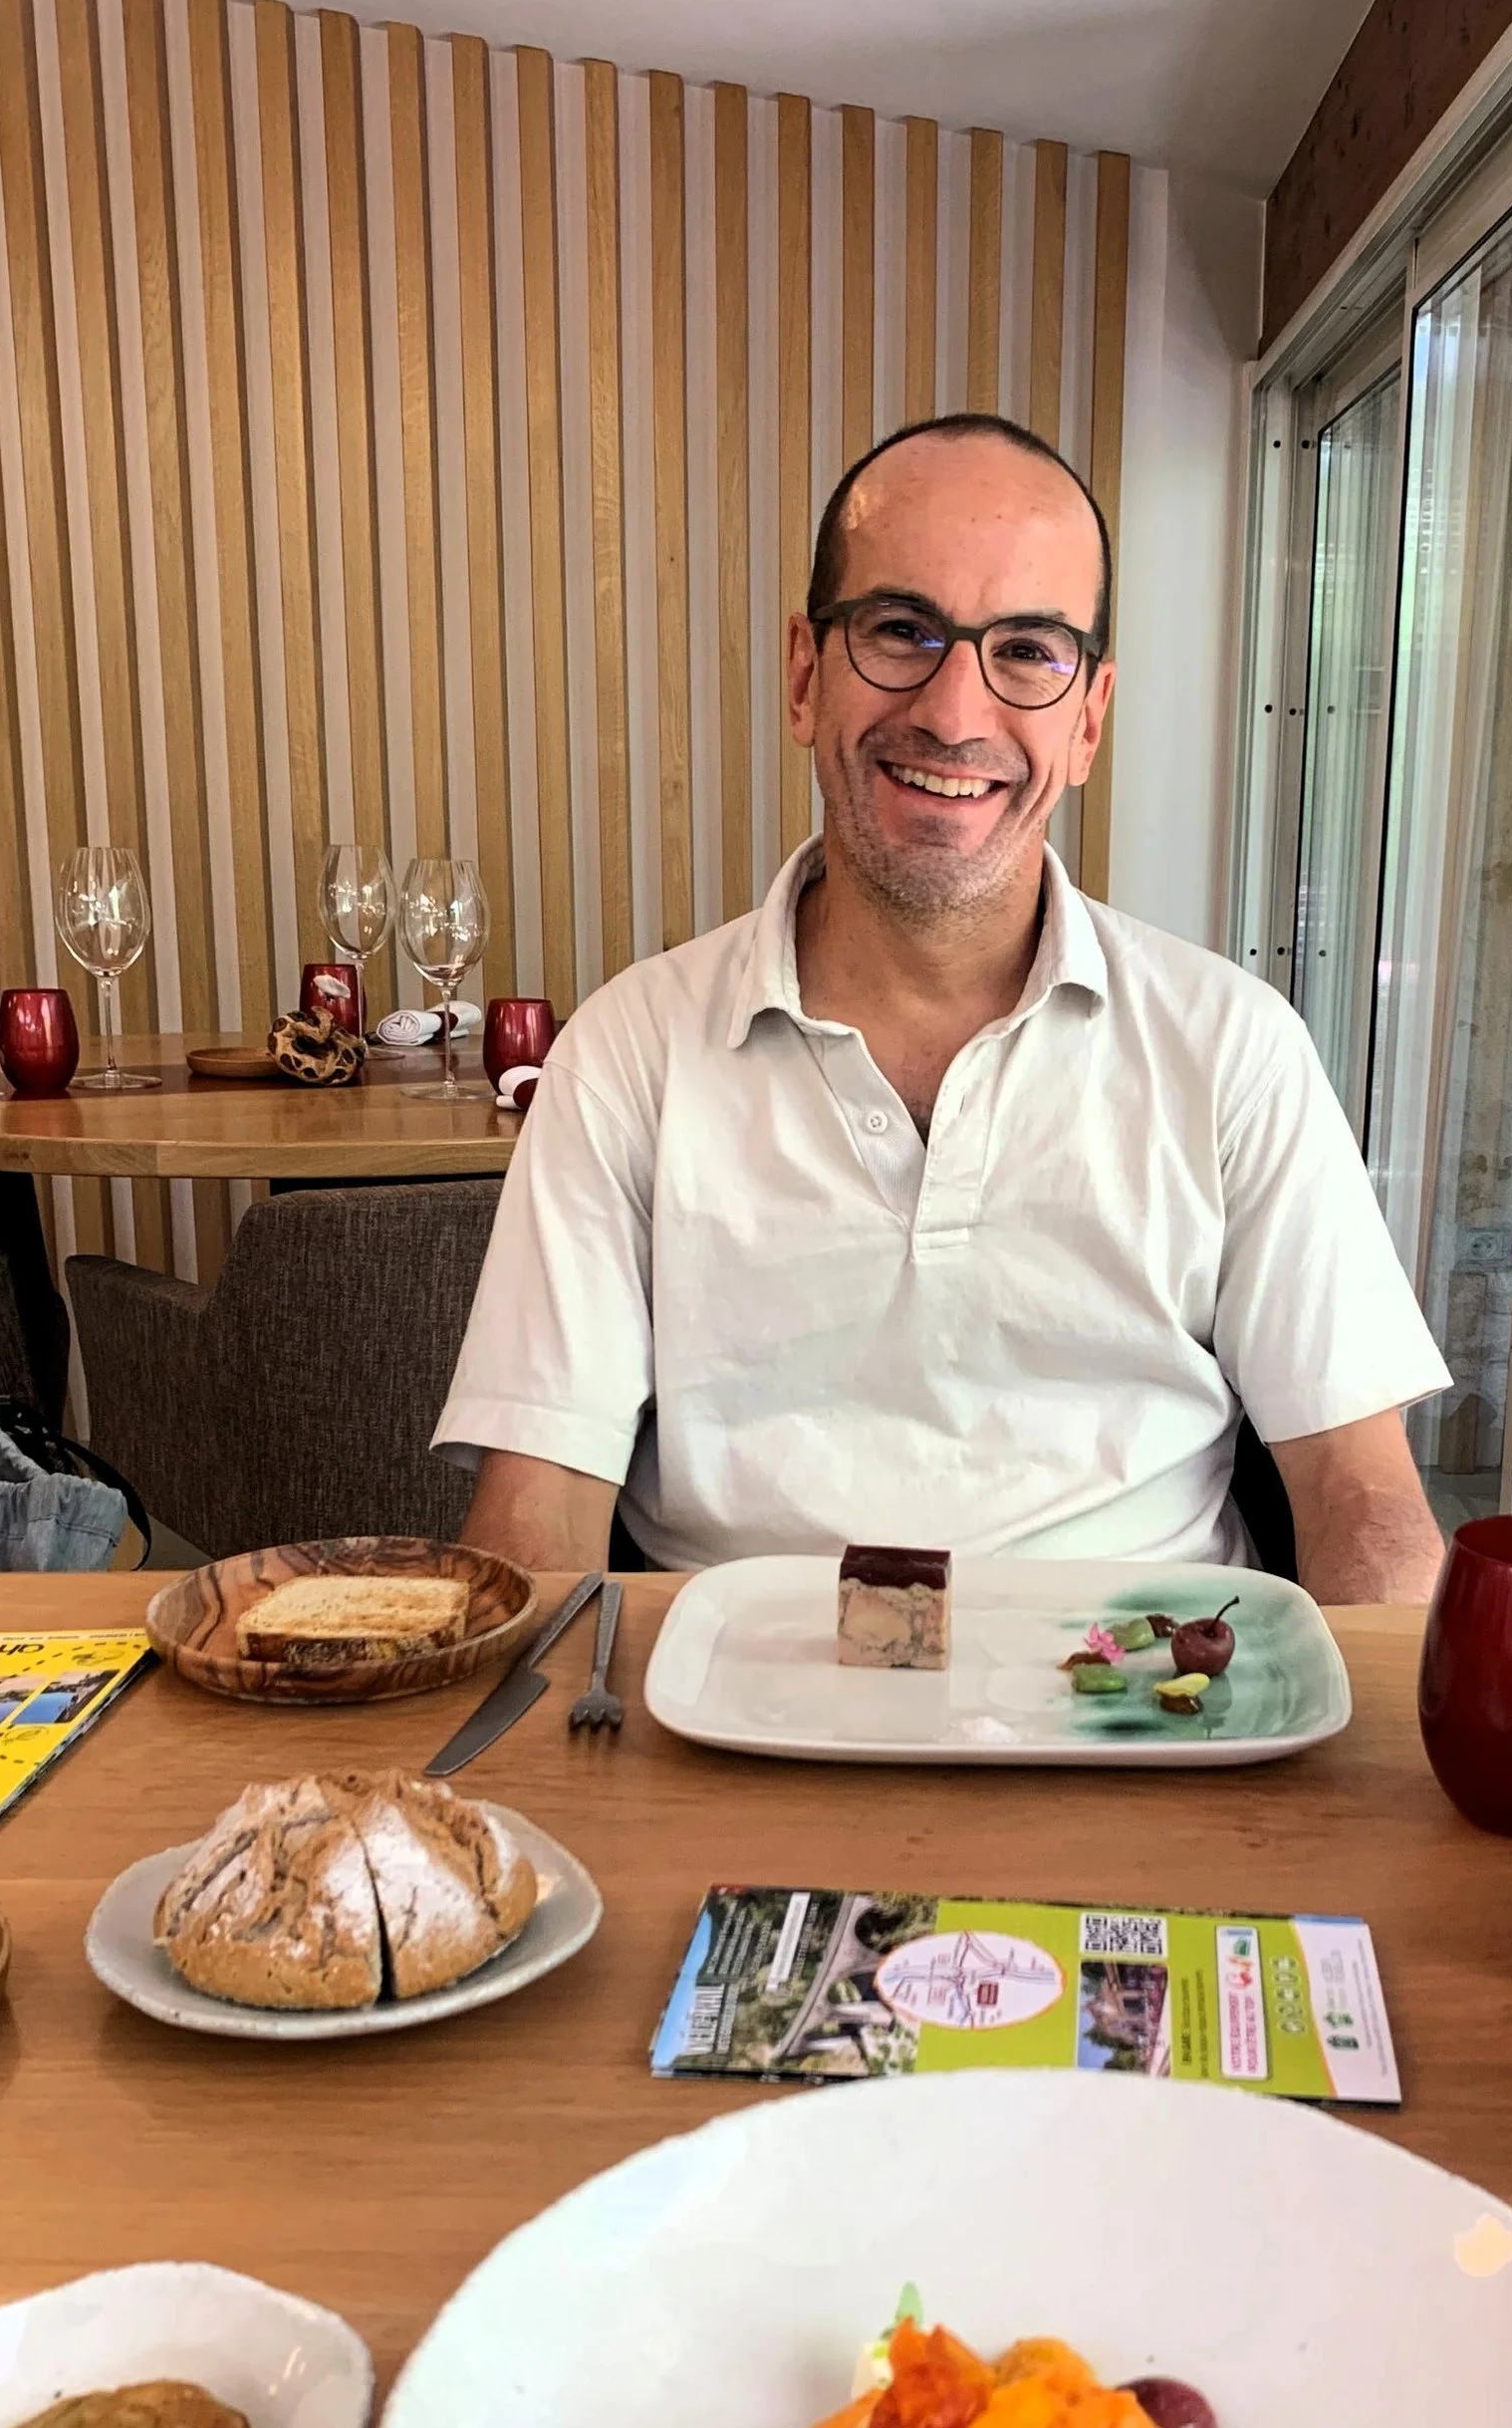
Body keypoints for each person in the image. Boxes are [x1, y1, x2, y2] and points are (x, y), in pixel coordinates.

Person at [439, 410, 1449, 1597]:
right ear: (807, 677)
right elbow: (534, 1512)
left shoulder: (1235, 1052)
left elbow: (1363, 1498)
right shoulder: (630, 1052)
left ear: (1088, 718)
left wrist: (1375, 1764)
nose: (955, 712)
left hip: (1145, 1720)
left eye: (1027, 649)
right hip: (733, 1733)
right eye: (901, 630)